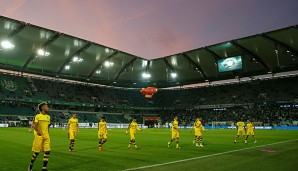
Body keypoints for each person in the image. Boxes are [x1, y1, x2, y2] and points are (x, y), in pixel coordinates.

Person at [28, 103, 51, 171]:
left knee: (47, 151)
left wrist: (47, 133)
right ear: (43, 108)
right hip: (39, 136)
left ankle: (44, 169)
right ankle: (30, 165)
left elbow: (47, 126)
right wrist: (38, 131)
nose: (48, 108)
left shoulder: (48, 117)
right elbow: (35, 125)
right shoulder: (38, 116)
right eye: (47, 107)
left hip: (46, 136)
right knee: (36, 152)